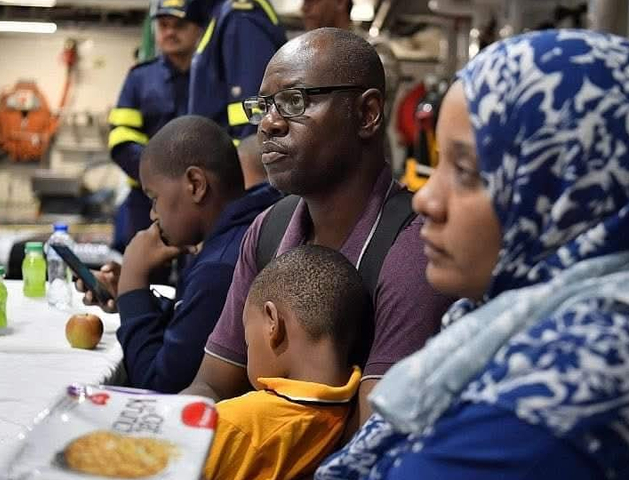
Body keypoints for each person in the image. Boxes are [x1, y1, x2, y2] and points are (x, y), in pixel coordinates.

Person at [316, 29, 629, 480]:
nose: (426, 200)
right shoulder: (518, 325)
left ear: (571, 191)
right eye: (439, 164)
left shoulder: (572, 389)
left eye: (467, 171)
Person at [182, 28, 454, 426]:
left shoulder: (413, 250)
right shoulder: (267, 231)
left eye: (294, 101)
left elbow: (374, 443)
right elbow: (212, 384)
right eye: (264, 106)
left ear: (367, 113)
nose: (268, 125)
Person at [115, 115, 281, 393]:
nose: (153, 214)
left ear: (195, 184)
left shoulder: (219, 267)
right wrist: (137, 300)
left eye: (154, 198)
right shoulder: (245, 229)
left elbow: (159, 386)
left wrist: (132, 285)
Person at [204, 245, 369, 480]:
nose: (247, 351)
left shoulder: (233, 424)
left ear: (273, 322)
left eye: (247, 341)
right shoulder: (348, 415)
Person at [108, 0, 203, 253]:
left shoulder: (214, 78)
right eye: (163, 25)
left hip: (202, 200)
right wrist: (162, 181)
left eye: (179, 25)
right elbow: (122, 140)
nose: (170, 32)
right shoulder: (139, 78)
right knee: (138, 272)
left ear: (198, 29)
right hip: (145, 200)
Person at [186, 0, 286, 141]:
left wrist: (244, 160)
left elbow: (253, 112)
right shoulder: (222, 14)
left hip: (234, 155)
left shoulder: (240, 17)